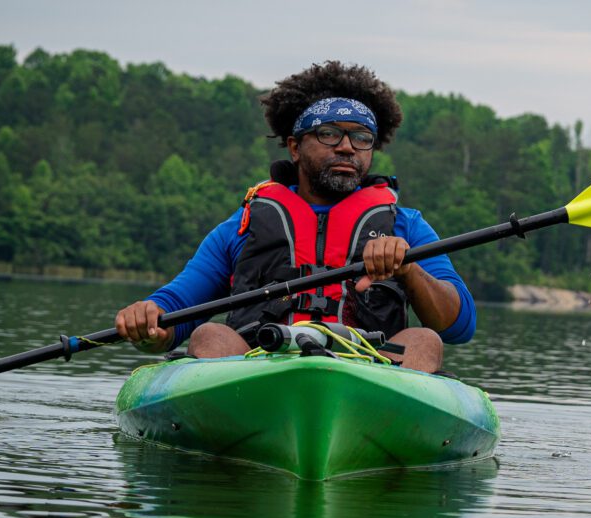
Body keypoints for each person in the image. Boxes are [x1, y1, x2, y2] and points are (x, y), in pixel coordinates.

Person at [115, 61, 475, 373]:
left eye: (362, 138)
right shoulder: (243, 227)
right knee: (210, 335)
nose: (347, 147)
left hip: (369, 370)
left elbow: (459, 325)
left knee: (424, 341)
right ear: (294, 147)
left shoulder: (406, 226)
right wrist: (149, 322)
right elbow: (175, 310)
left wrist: (410, 271)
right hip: (258, 369)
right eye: (329, 133)